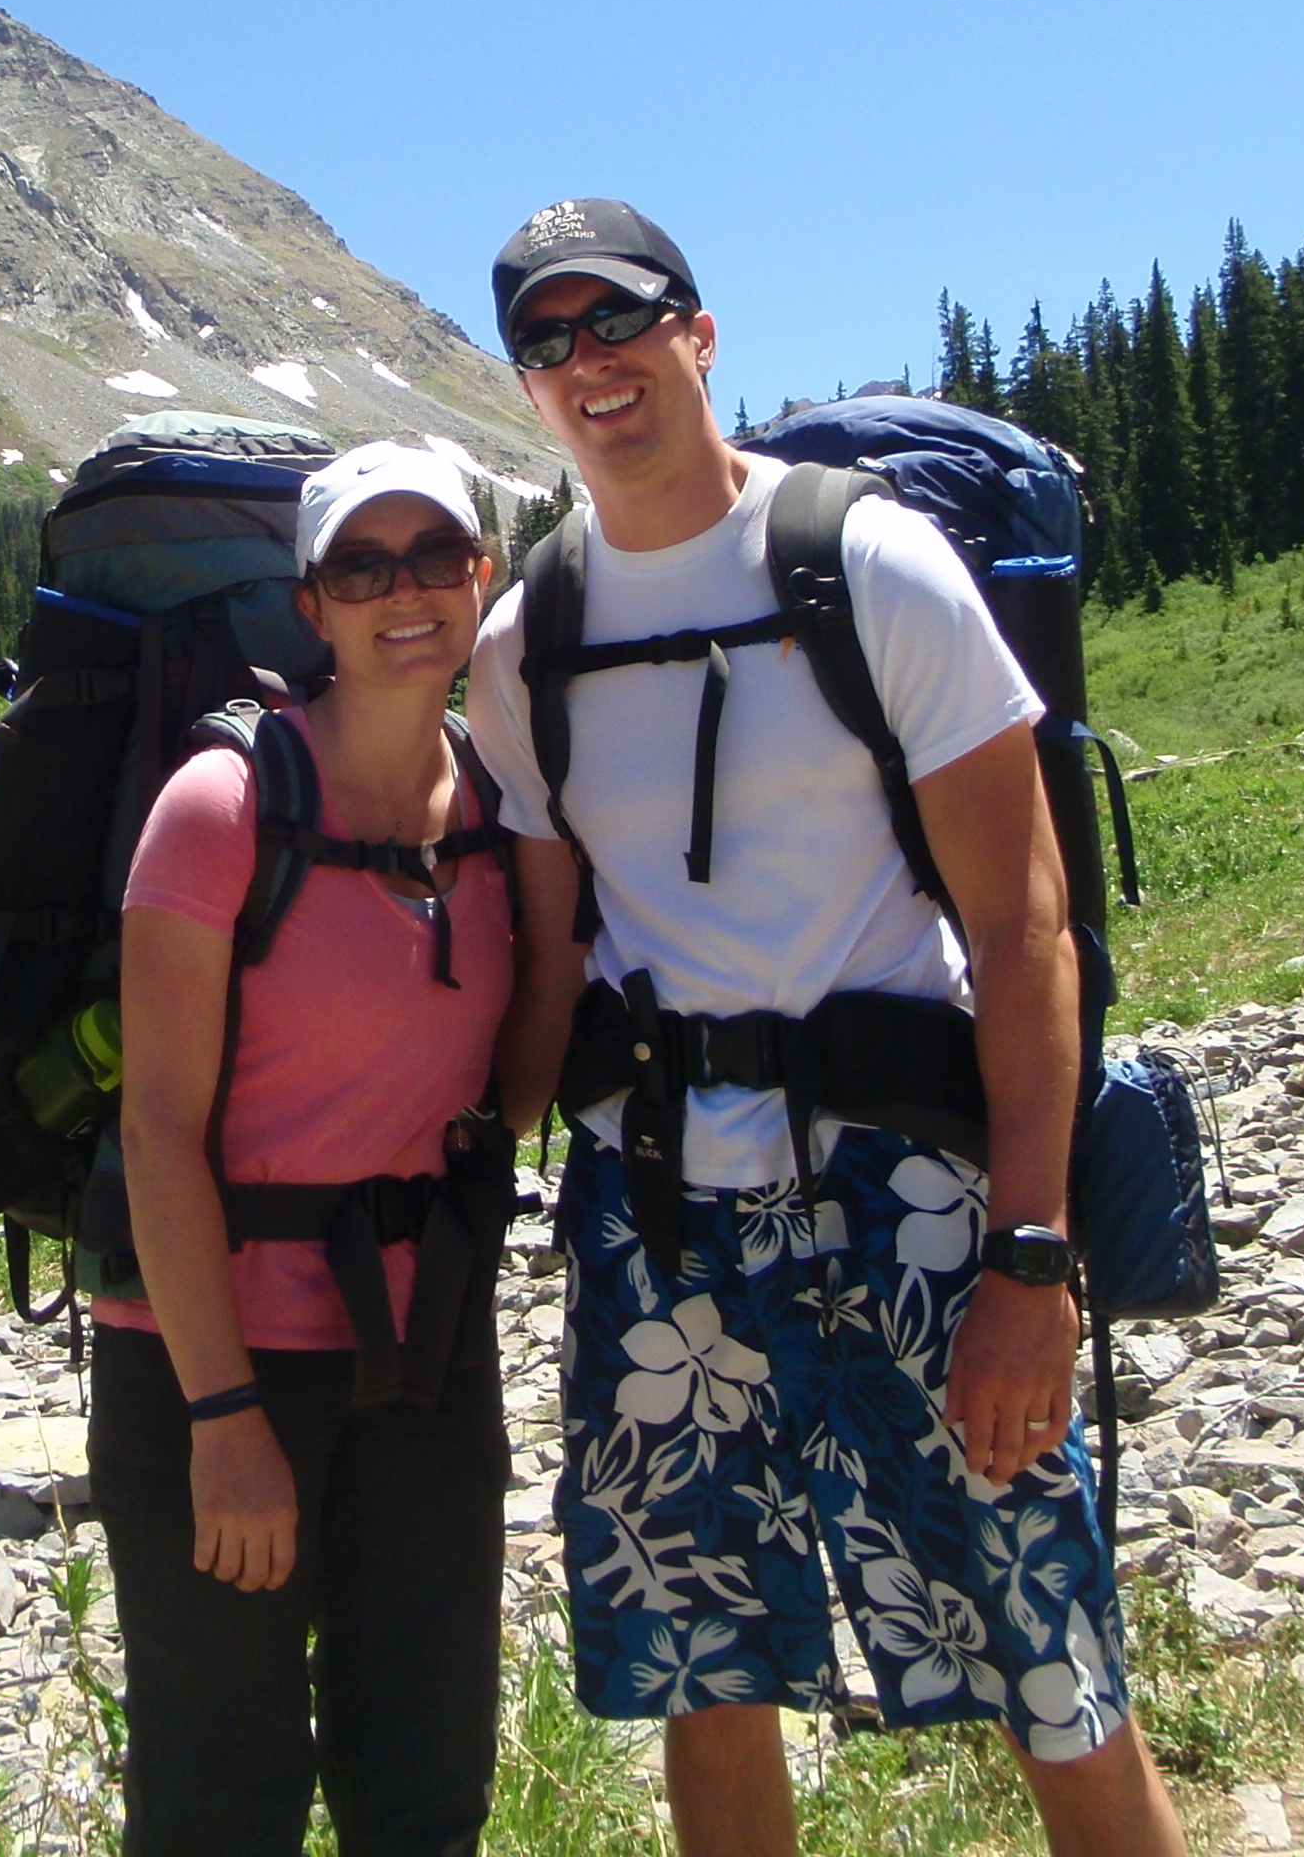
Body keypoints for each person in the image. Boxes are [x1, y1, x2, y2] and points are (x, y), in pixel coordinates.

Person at [467, 201, 1190, 1857]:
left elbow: (1021, 929)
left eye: (620, 321)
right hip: (657, 1214)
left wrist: (1032, 1251)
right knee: (704, 1676)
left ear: (698, 334)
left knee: (1048, 1653)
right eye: (549, 341)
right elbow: (546, 957)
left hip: (914, 1195)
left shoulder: (866, 563)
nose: (592, 365)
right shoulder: (529, 644)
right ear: (527, 384)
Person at [87, 440, 523, 1857]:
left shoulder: (509, 818)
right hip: (213, 1355)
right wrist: (222, 1420)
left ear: (483, 579)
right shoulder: (223, 810)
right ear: (314, 606)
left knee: (428, 1776)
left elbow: (509, 1094)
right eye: (361, 567)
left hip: (427, 1348)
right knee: (224, 1789)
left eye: (435, 559)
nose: (404, 593)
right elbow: (156, 1129)